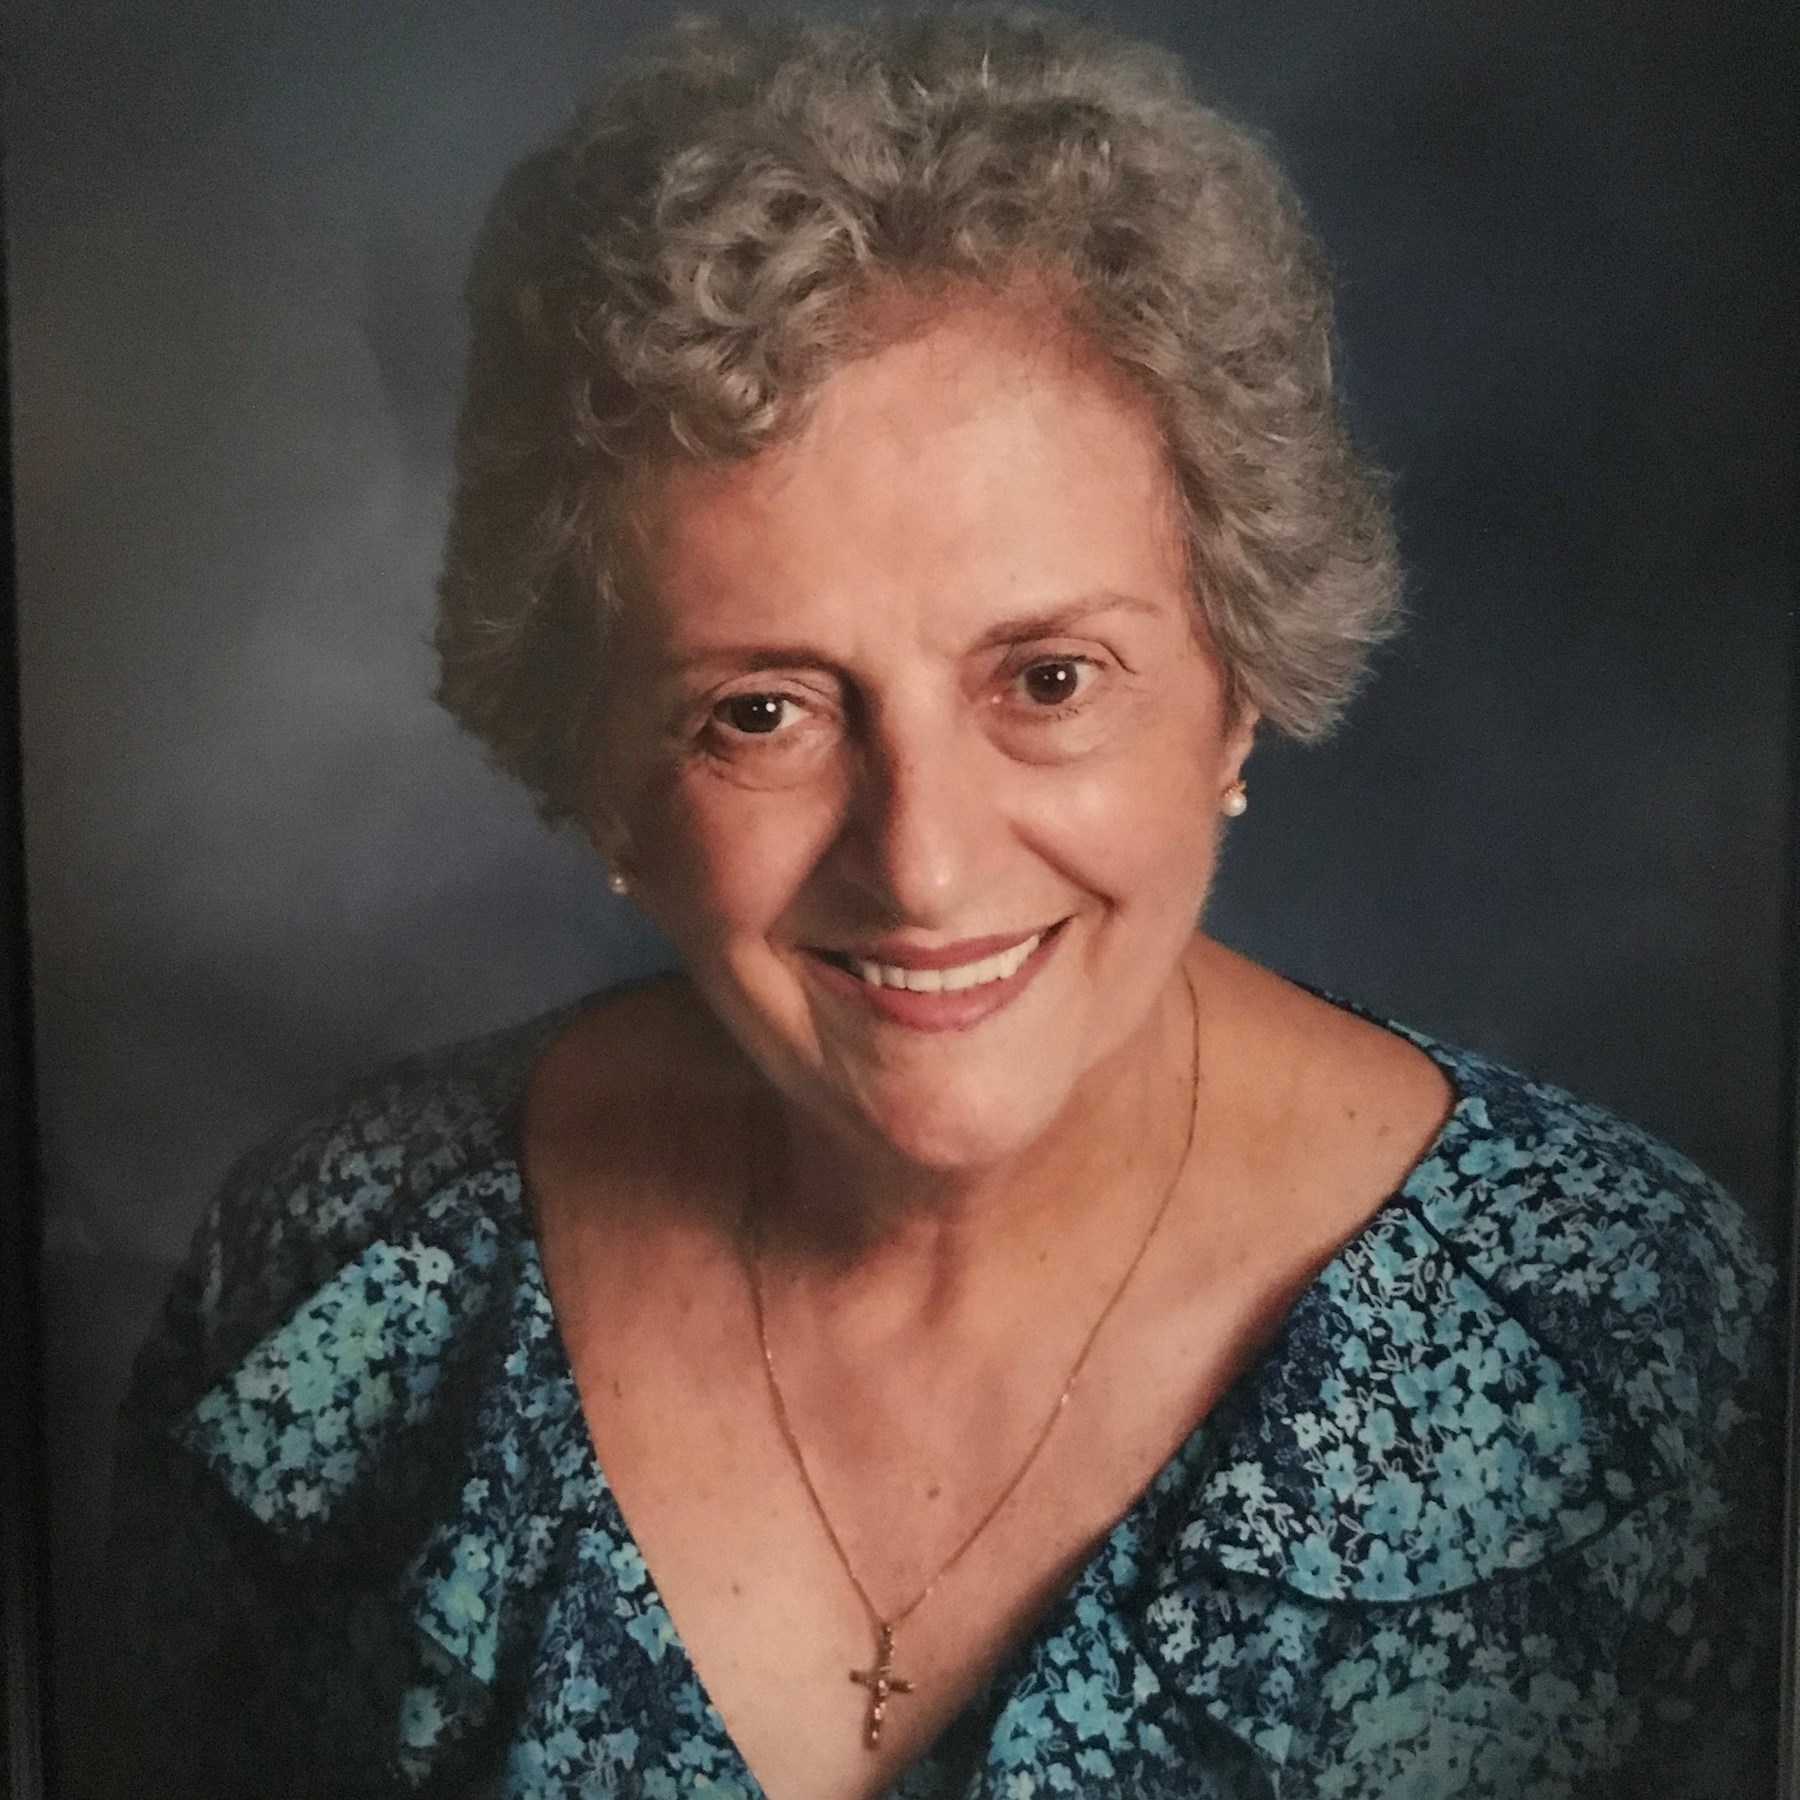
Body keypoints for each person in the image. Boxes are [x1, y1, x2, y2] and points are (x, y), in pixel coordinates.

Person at [100, 8, 1780, 1798]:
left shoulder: (1632, 1343)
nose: (924, 863)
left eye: (1048, 680)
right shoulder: (334, 1288)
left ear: (1237, 685)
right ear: (601, 764)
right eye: (762, 712)